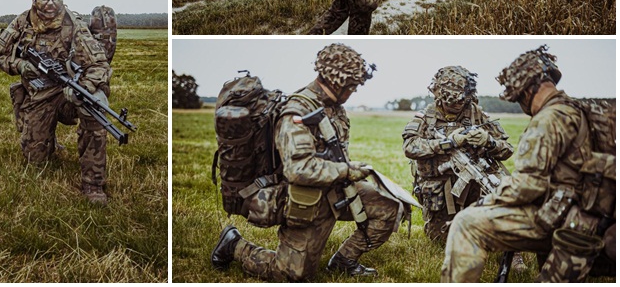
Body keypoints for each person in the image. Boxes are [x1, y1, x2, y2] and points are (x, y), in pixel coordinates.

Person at [211, 43, 402, 280]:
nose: (354, 92)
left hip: (332, 190)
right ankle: (233, 245)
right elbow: (297, 169)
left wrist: (346, 172)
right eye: (351, 86)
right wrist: (346, 170)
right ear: (337, 82)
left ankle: (344, 261)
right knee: (292, 275)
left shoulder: (334, 108)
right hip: (303, 199)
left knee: (388, 207)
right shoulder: (297, 112)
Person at [442, 46, 609, 282]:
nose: (521, 104)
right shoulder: (588, 110)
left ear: (529, 89)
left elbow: (527, 185)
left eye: (519, 97)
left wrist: (484, 202)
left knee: (466, 223)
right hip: (596, 214)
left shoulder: (547, 119)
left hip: (565, 216)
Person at [0, 0, 113, 204]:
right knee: (35, 162)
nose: (50, 3)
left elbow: (100, 64)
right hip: (38, 96)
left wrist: (84, 86)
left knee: (95, 108)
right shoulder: (21, 22)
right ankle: (48, 140)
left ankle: (93, 184)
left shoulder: (74, 25)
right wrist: (19, 65)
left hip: (68, 94)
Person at [403, 66, 515, 244]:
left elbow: (507, 149)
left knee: (491, 228)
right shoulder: (426, 117)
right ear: (439, 95)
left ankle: (510, 248)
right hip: (439, 187)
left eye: (459, 102)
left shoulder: (477, 114)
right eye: (450, 102)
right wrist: (449, 143)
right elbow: (410, 147)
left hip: (476, 185)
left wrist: (489, 141)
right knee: (442, 240)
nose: (455, 107)